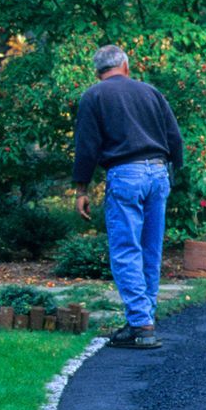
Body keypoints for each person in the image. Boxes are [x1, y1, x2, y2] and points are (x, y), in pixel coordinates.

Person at [71, 44, 184, 350]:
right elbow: (174, 137)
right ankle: (143, 317)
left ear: (98, 72)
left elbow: (87, 146)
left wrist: (81, 188)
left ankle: (141, 324)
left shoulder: (94, 96)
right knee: (150, 248)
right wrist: (171, 171)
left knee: (125, 249)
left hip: (126, 175)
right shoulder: (150, 91)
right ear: (125, 66)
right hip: (158, 173)